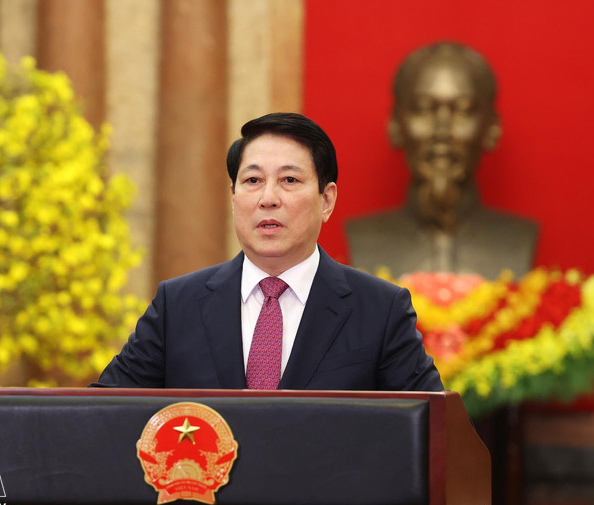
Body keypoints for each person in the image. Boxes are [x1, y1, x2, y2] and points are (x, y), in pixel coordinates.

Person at [94, 112, 442, 391]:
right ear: (233, 197)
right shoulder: (178, 305)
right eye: (252, 181)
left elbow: (434, 430)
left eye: (289, 180)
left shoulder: (380, 310)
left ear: (327, 200)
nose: (268, 198)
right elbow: (105, 412)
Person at [347, 42, 538, 279]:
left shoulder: (518, 238)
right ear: (395, 125)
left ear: (492, 128)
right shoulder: (364, 238)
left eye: (463, 110)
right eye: (423, 109)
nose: (442, 130)